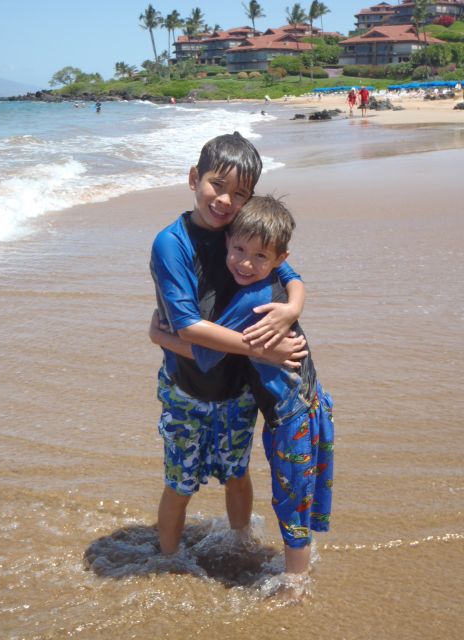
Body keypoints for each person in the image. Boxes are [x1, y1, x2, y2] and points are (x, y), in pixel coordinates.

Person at [150, 195, 334, 590]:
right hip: (307, 402)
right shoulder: (268, 281)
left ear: (278, 258)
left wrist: (158, 336)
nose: (245, 263)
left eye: (259, 256)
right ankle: (291, 572)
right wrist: (292, 306)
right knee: (296, 496)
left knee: (292, 500)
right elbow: (288, 276)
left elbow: (206, 353)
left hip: (291, 415)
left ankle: (295, 586)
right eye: (239, 250)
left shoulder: (252, 298)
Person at [149, 133, 307, 557]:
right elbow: (188, 327)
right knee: (179, 484)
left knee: (237, 475)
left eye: (240, 194)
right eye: (217, 185)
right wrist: (262, 349)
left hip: (237, 389)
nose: (224, 201)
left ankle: (242, 546)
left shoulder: (239, 231)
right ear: (194, 178)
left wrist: (292, 308)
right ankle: (168, 561)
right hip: (186, 390)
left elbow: (288, 271)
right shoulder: (172, 244)